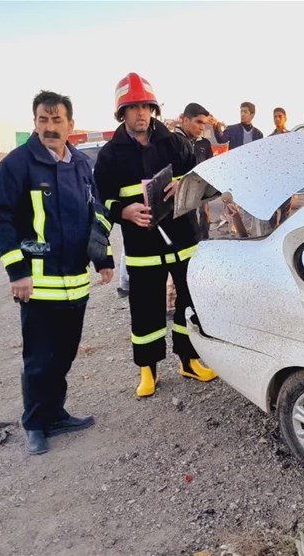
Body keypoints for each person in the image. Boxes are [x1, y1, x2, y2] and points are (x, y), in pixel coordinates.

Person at [0, 90, 114, 455]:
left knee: (65, 355)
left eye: (57, 121)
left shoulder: (80, 165)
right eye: (43, 120)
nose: (50, 127)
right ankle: (36, 423)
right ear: (35, 122)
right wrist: (17, 272)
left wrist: (101, 259)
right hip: (37, 285)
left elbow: (95, 214)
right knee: (39, 360)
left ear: (71, 124)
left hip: (74, 284)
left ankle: (55, 413)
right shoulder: (17, 164)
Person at [94, 73, 217, 398]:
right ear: (122, 113)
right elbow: (100, 199)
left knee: (190, 304)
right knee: (145, 309)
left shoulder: (175, 143)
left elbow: (205, 180)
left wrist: (185, 184)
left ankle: (188, 360)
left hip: (183, 241)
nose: (140, 114)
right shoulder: (110, 155)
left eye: (145, 107)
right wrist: (123, 211)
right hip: (142, 246)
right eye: (132, 108)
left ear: (153, 109)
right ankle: (147, 371)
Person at [174, 102, 214, 240]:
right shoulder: (174, 142)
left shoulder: (199, 143)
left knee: (203, 219)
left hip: (197, 192)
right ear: (185, 120)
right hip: (178, 201)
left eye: (204, 123)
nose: (202, 127)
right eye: (198, 122)